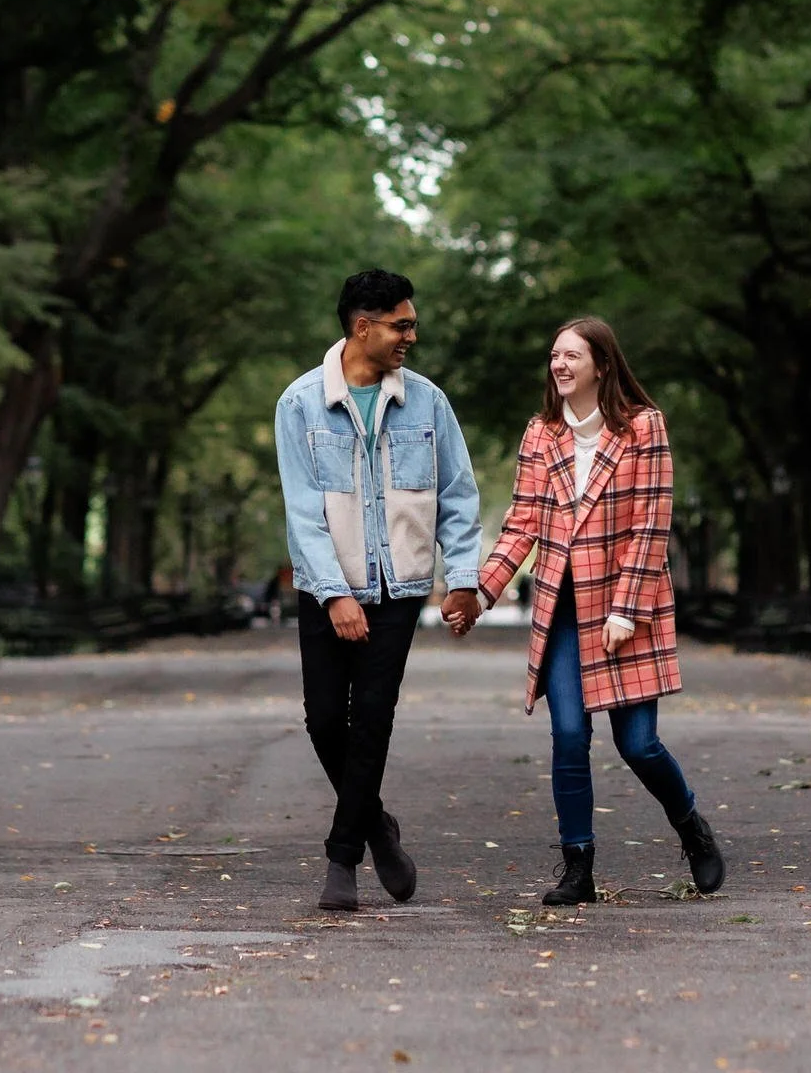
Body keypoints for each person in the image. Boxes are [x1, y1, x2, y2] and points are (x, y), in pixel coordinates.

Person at [474, 316, 724, 903]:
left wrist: (626, 608)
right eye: (554, 355)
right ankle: (578, 866)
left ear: (602, 366)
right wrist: (481, 593)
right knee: (567, 735)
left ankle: (692, 828)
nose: (559, 365)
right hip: (563, 606)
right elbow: (522, 523)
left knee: (638, 745)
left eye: (572, 356)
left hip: (625, 608)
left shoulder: (643, 428)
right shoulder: (541, 433)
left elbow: (651, 523)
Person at [275, 269, 485, 911]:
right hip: (323, 588)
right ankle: (378, 829)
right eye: (401, 324)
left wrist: (465, 579)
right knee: (321, 720)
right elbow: (303, 510)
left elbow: (457, 495)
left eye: (411, 323)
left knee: (370, 722)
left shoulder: (428, 404)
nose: (411, 337)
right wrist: (335, 594)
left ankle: (343, 861)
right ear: (362, 326)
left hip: (399, 590)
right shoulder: (301, 404)